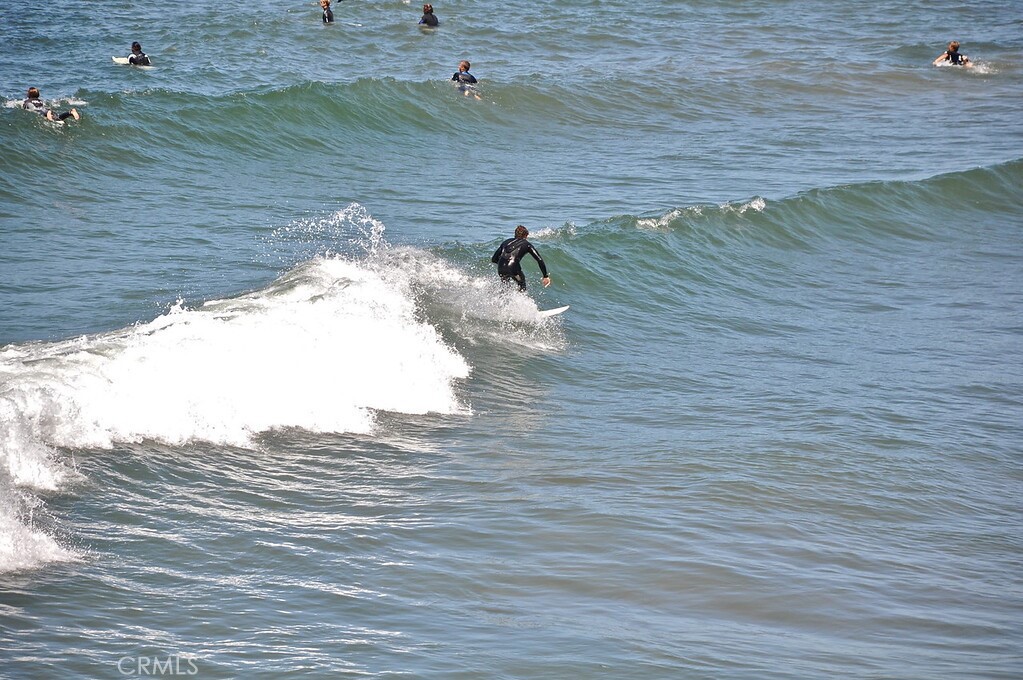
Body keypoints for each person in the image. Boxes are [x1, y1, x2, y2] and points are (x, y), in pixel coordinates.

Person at [492, 225, 551, 291]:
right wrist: (545, 276)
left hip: (500, 268)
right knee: (522, 285)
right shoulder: (527, 244)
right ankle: (520, 296)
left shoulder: (506, 242)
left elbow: (494, 259)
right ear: (525, 235)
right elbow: (539, 259)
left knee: (505, 287)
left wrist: (504, 266)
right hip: (513, 268)